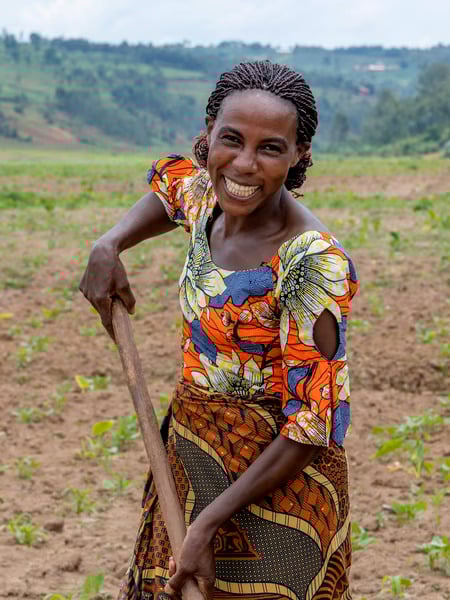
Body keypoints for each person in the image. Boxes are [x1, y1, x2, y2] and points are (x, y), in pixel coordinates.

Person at [79, 60, 359, 600]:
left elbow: (313, 423)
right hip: (191, 459)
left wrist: (207, 524)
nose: (245, 164)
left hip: (279, 487)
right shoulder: (209, 196)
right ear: (207, 135)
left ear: (299, 154)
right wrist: (110, 243)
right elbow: (172, 190)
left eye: (271, 148)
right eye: (231, 139)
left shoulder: (310, 262)